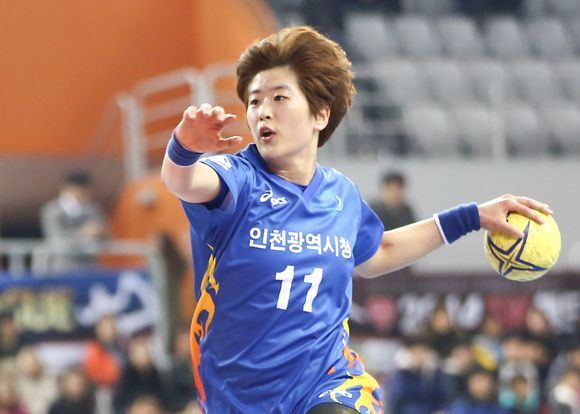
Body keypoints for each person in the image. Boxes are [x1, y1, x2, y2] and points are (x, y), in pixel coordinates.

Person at [160, 25, 551, 414]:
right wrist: (184, 148)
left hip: (326, 380)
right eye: (254, 100)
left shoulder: (340, 194)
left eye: (279, 97)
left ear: (320, 114)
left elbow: (379, 251)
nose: (263, 110)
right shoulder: (238, 177)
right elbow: (183, 181)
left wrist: (473, 216)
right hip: (238, 393)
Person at [40, 171, 108, 273]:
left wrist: (100, 232)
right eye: (79, 191)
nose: (83, 194)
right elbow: (55, 237)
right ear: (67, 189)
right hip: (62, 264)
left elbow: (105, 236)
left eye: (85, 191)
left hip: (88, 265)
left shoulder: (93, 210)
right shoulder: (52, 210)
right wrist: (83, 233)